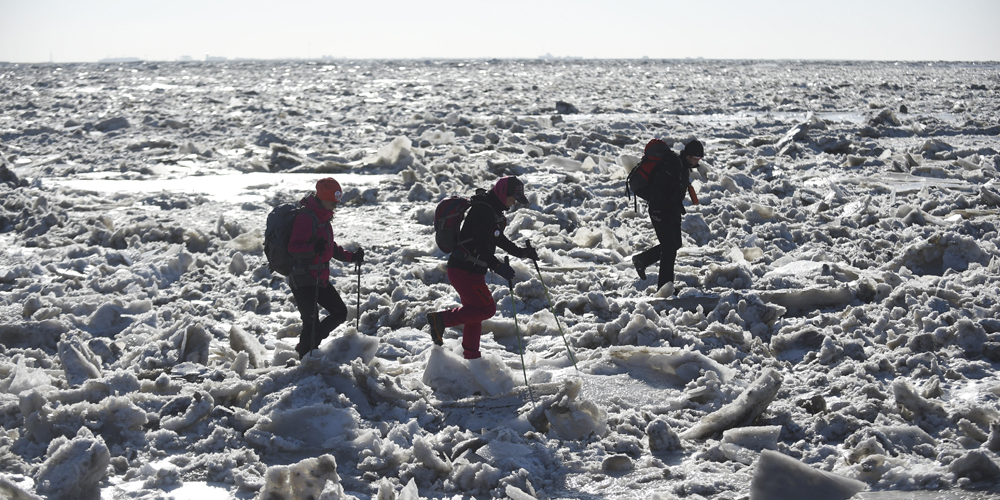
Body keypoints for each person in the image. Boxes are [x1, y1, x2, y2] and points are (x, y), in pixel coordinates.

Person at [426, 176, 539, 359]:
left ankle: (472, 358)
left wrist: (522, 253)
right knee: (487, 309)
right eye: (513, 199)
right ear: (503, 194)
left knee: (475, 314)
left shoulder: (492, 210)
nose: (513, 204)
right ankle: (440, 320)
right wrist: (497, 266)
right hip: (464, 271)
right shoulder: (482, 211)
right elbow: (480, 244)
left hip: (469, 271)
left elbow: (497, 238)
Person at [287, 177, 365, 358]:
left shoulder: (324, 217)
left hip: (319, 277)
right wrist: (313, 248)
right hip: (302, 278)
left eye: (337, 202)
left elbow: (329, 246)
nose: (335, 206)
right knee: (311, 320)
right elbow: (293, 248)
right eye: (332, 202)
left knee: (339, 312)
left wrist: (351, 256)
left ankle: (310, 345)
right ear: (322, 198)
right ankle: (306, 360)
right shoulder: (306, 218)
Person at [631, 139, 704, 291]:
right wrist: (657, 210)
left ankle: (642, 260)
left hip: (671, 210)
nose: (697, 162)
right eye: (695, 158)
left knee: (675, 243)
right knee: (669, 248)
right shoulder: (674, 165)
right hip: (660, 210)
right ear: (689, 155)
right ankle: (664, 287)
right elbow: (658, 186)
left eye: (699, 159)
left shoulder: (683, 166)